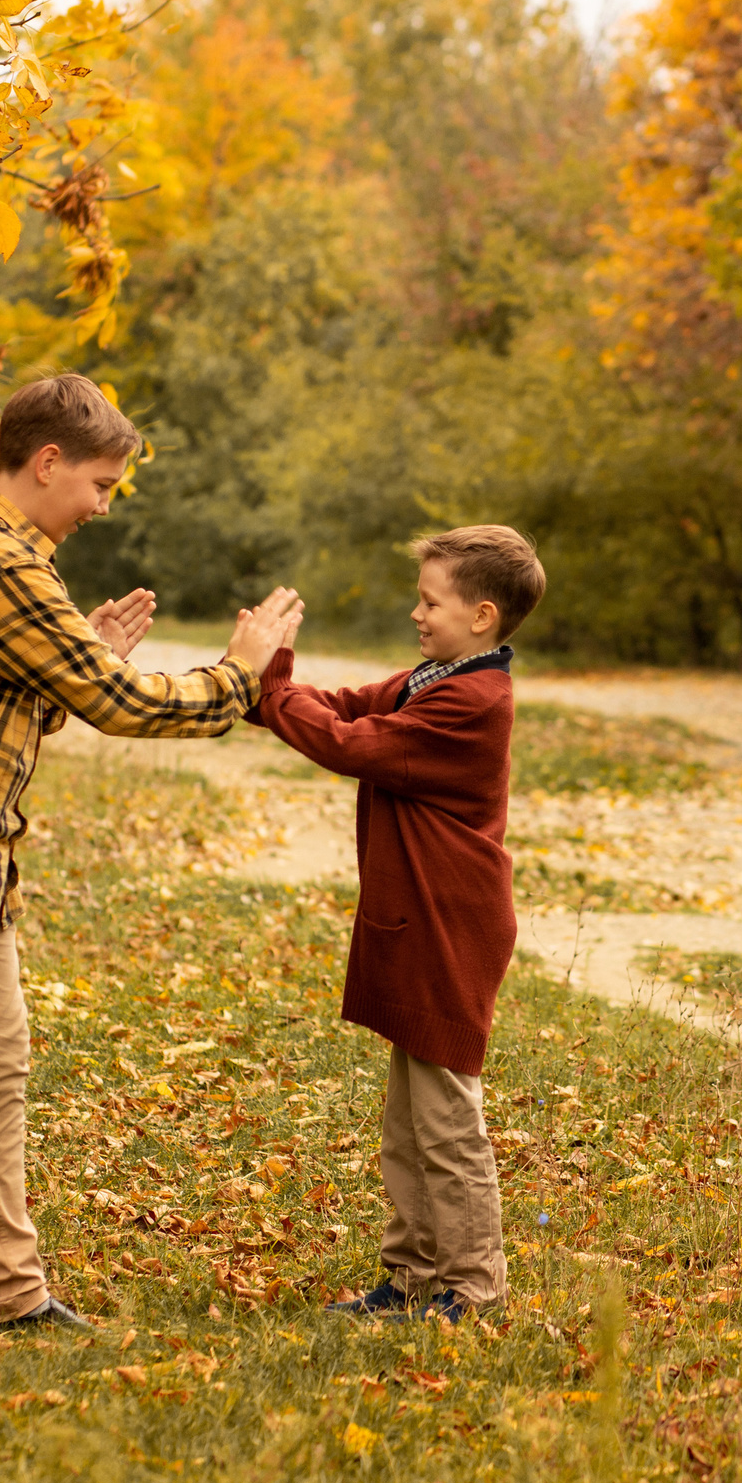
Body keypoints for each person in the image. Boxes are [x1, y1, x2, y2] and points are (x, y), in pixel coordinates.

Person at [0, 373, 303, 1354]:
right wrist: (239, 669)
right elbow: (118, 706)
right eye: (99, 483)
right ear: (46, 464)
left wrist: (82, 652)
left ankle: (10, 1293)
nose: (101, 504)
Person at [247, 525, 545, 1323]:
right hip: (418, 920)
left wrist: (270, 679)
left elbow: (350, 742)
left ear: (482, 615)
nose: (417, 611)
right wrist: (268, 685)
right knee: (410, 1124)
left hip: (452, 925)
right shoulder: (436, 676)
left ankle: (473, 1286)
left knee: (447, 1121)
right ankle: (410, 1276)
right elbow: (343, 707)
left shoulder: (472, 701)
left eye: (430, 600)